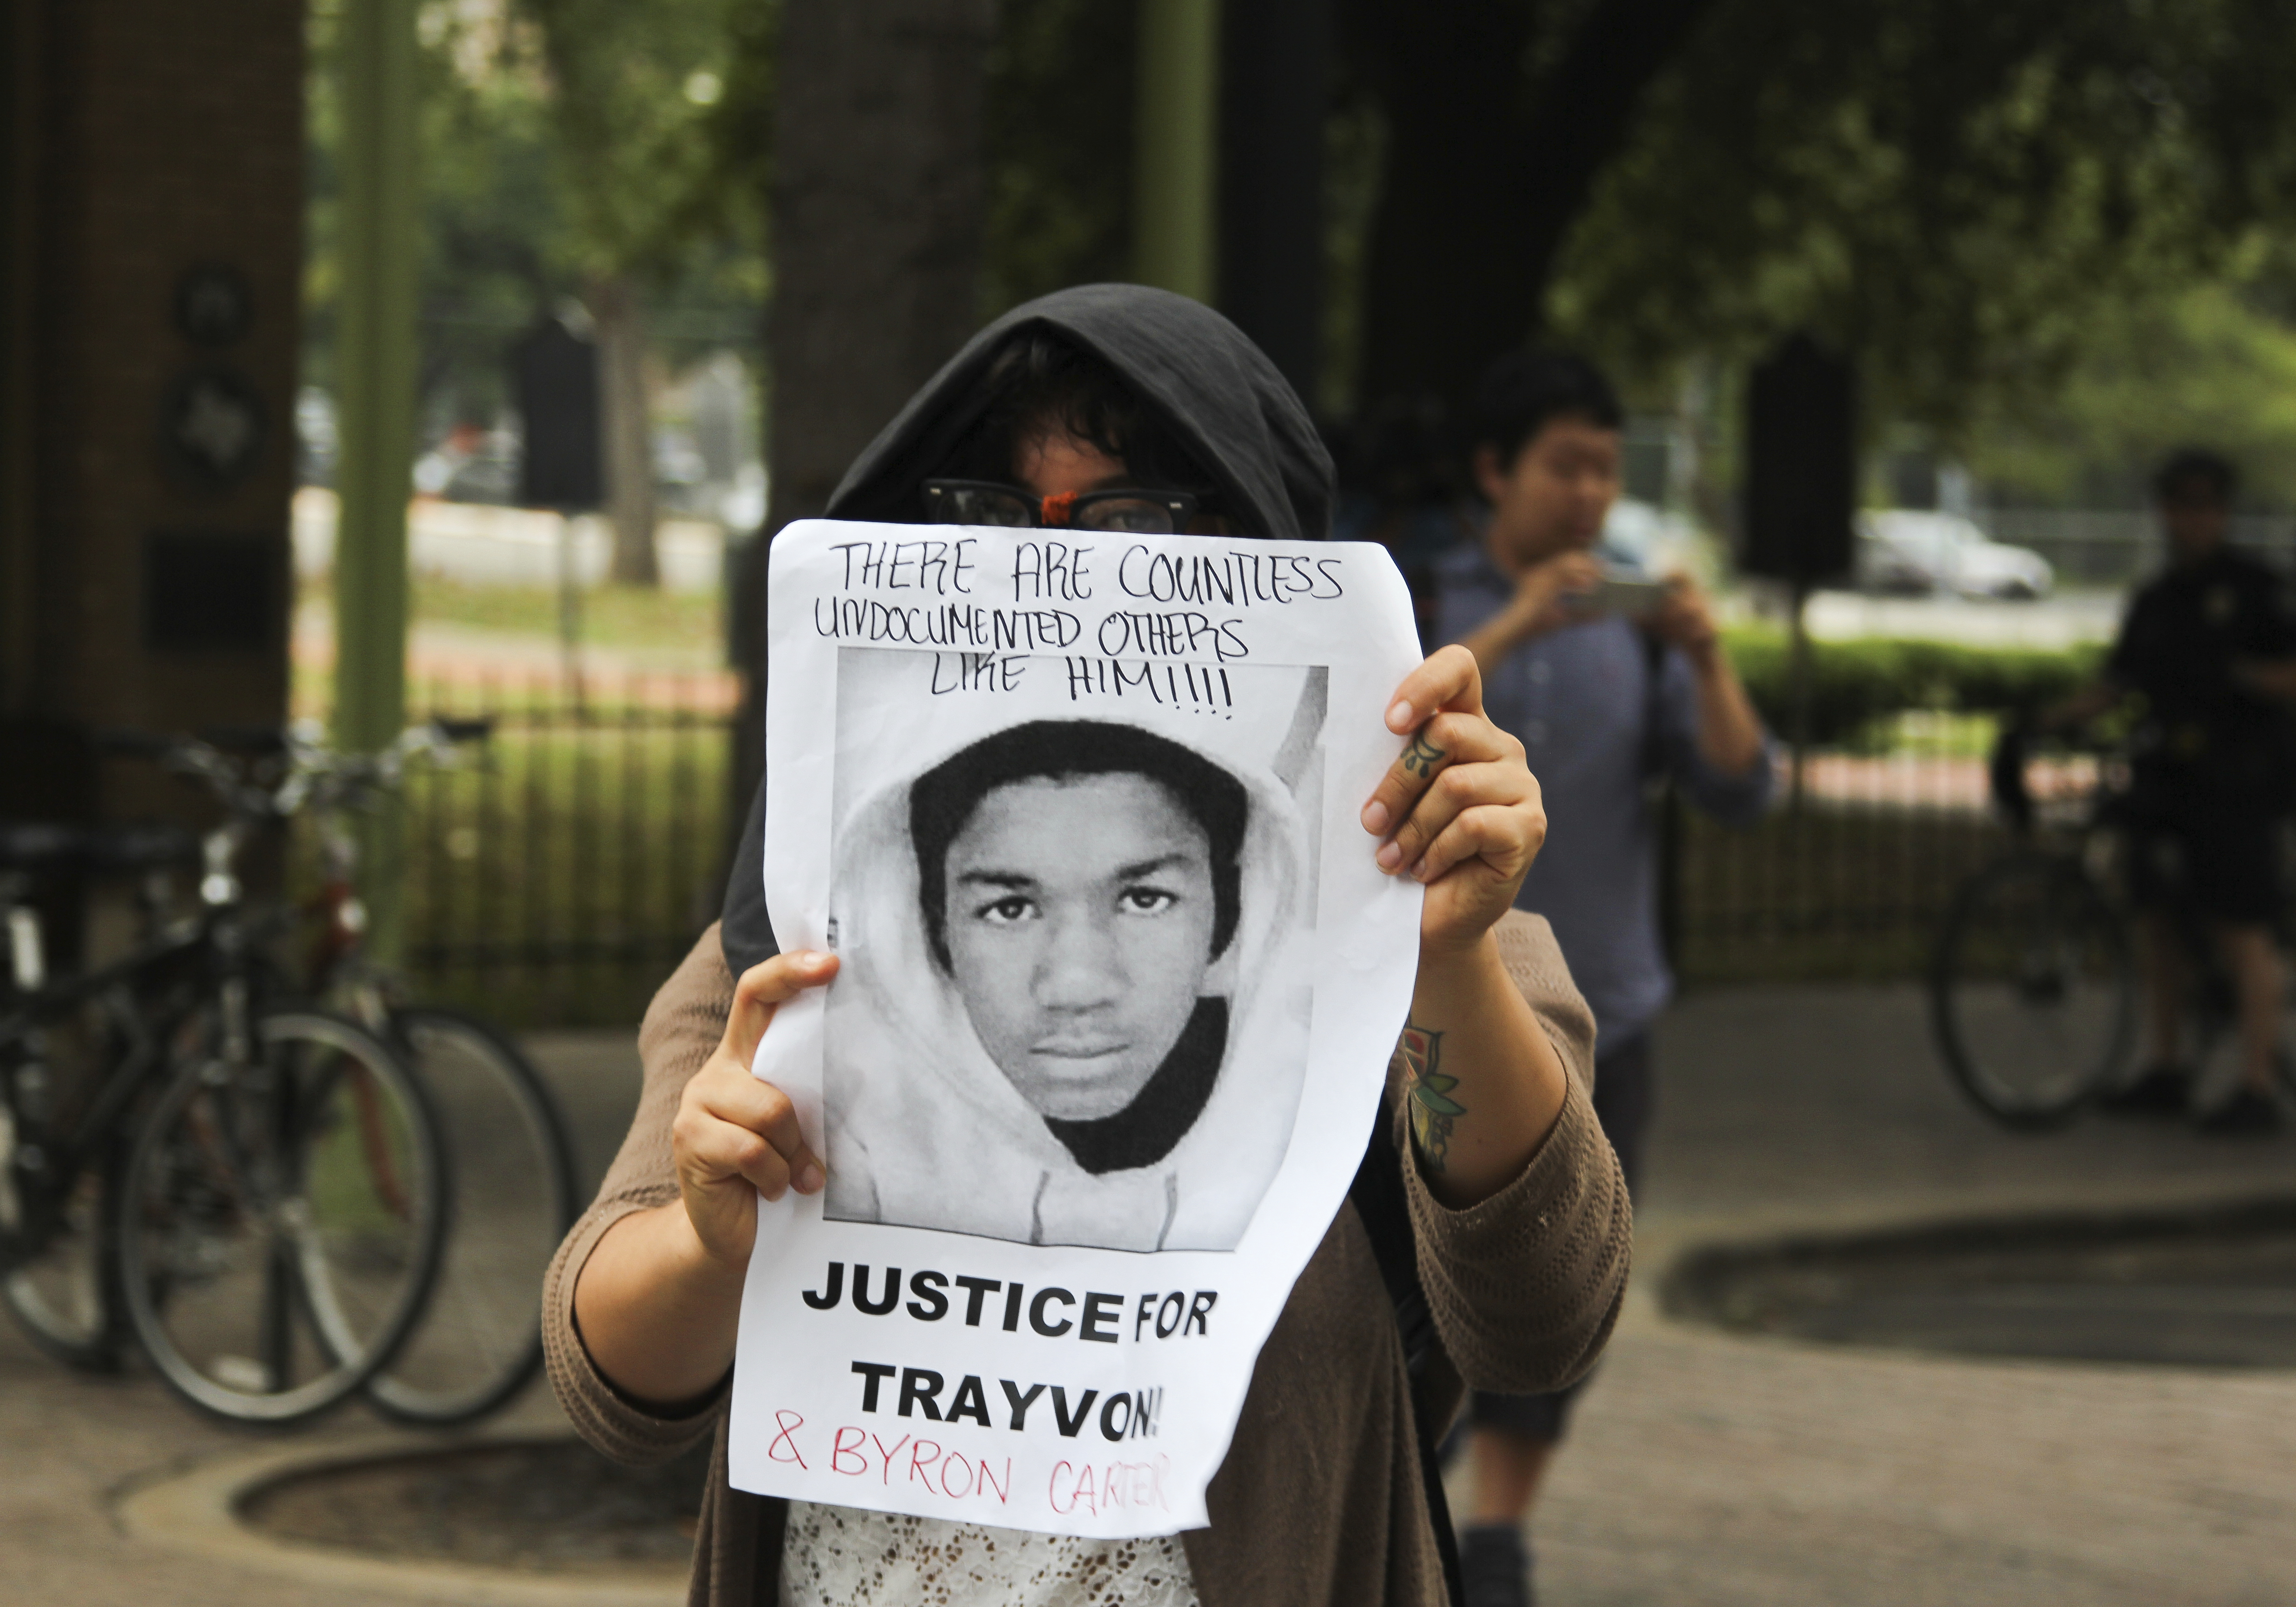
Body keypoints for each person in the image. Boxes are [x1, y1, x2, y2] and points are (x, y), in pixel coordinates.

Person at [543, 286, 1633, 1607]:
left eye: (1137, 520)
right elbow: (612, 1387)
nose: (1055, 572)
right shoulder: (778, 969)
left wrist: (1445, 955)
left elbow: (1544, 1318)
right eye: (986, 518)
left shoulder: (1439, 953)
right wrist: (709, 1249)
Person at [1431, 350, 1774, 1607]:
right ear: (1496, 472)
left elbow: (1744, 786)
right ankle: (1416, 1496)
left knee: (1562, 1265)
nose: (1588, 495)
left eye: (1606, 471)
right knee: (1427, 1266)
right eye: (1563, 466)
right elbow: (1366, 733)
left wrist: (1707, 654)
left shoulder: (1640, 631)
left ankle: (1504, 1540)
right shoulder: (1429, 596)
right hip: (1437, 1011)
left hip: (1608, 1004)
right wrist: (1519, 620)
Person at [821, 712, 1315, 1250]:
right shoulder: (834, 1121)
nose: (1077, 989)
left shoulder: (1331, 1093)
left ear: (1227, 918)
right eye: (1009, 909)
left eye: (1144, 900)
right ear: (935, 932)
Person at [2044, 449, 2296, 1134]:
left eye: (2205, 506)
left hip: (2241, 780)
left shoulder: (2260, 589)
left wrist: (2245, 676)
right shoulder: (2157, 600)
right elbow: (2116, 684)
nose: (2191, 519)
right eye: (2180, 505)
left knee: (2242, 927)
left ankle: (2258, 1087)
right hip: (2170, 779)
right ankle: (2167, 1069)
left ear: (2223, 513)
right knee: (2160, 922)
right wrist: (2046, 722)